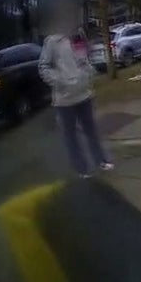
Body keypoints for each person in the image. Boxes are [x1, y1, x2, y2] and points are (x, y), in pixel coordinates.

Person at [38, 22, 114, 178]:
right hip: (64, 100)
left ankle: (101, 160)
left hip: (84, 94)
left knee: (91, 130)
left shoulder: (78, 35)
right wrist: (60, 81)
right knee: (71, 136)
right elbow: (43, 67)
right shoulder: (52, 41)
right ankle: (82, 168)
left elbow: (85, 59)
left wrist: (88, 74)